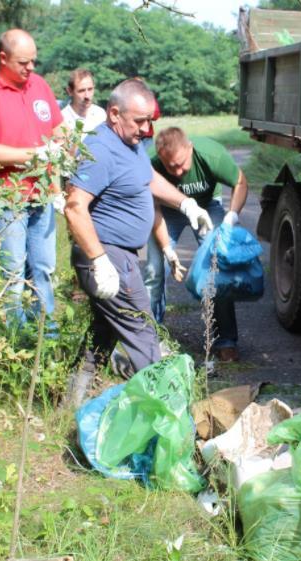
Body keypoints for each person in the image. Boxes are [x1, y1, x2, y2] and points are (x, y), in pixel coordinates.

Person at [63, 79, 213, 404]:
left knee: (102, 333)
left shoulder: (130, 144)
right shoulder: (100, 149)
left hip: (121, 253)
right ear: (115, 114)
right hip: (108, 254)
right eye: (139, 121)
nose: (147, 129)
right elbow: (74, 207)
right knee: (144, 333)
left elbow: (148, 178)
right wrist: (99, 260)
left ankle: (70, 405)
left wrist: (186, 204)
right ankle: (164, 415)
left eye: (150, 121)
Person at [0, 28, 65, 335]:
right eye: (23, 62)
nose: (30, 68)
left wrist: (60, 148)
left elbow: (58, 128)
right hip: (7, 199)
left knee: (44, 269)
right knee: (13, 273)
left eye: (34, 61)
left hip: (42, 194)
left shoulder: (39, 86)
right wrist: (35, 155)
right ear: (3, 58)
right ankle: (16, 341)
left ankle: (45, 336)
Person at [145, 127, 248, 362]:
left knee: (218, 266)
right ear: (161, 158)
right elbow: (154, 209)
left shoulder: (211, 155)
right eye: (171, 167)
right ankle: (150, 337)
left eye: (182, 164)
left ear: (189, 148)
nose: (179, 172)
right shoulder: (151, 165)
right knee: (154, 269)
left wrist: (232, 216)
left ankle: (226, 340)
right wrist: (167, 249)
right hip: (169, 209)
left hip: (207, 205)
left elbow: (240, 182)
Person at [61, 68, 106, 135]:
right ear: (70, 91)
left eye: (90, 89)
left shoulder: (100, 114)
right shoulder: (62, 120)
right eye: (81, 91)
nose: (87, 96)